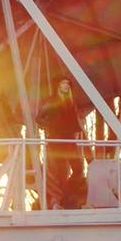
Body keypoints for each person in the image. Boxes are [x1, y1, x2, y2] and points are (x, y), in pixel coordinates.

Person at [36, 76, 85, 209]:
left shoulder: (71, 102)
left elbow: (74, 120)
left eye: (68, 84)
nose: (66, 86)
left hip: (69, 140)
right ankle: (58, 200)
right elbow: (39, 119)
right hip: (57, 140)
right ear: (58, 86)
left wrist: (77, 129)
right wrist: (50, 126)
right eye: (63, 84)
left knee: (78, 168)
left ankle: (65, 195)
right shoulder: (52, 102)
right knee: (60, 172)